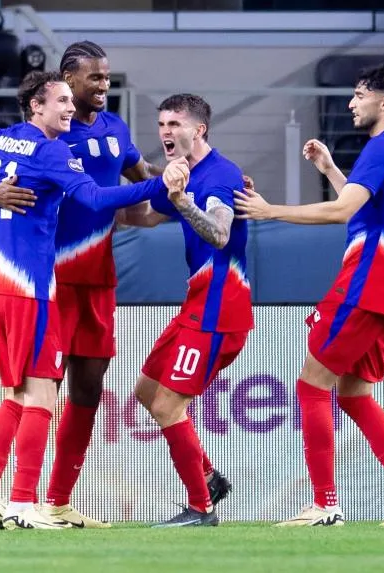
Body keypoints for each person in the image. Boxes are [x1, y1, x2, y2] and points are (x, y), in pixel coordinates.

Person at [0, 42, 234, 527]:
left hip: (97, 281)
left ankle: (56, 502)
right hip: (50, 281)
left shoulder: (115, 129)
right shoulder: (49, 133)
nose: (103, 85)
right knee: (38, 392)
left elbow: (146, 176)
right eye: (94, 78)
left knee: (87, 393)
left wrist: (203, 181)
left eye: (106, 77)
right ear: (67, 80)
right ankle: (16, 497)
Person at [0, 70, 171, 531]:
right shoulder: (51, 149)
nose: (70, 109)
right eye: (61, 101)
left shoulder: (4, 139)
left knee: (17, 393)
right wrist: (161, 186)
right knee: (41, 396)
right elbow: (94, 198)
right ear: (36, 105)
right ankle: (23, 503)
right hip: (30, 285)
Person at [233, 64, 384, 527]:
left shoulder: (382, 145)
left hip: (367, 283)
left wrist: (269, 210)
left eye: (360, 94)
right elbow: (366, 211)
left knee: (312, 385)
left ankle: (325, 505)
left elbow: (344, 211)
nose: (351, 103)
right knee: (354, 393)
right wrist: (329, 169)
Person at [115, 93, 252, 527]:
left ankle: (201, 508)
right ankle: (208, 477)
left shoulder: (220, 175)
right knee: (147, 392)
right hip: (197, 306)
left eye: (174, 124)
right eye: (161, 124)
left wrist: (182, 202)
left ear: (199, 129)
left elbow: (220, 234)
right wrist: (91, 199)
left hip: (218, 312)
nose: (165, 133)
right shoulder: (183, 174)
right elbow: (143, 217)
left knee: (168, 406)